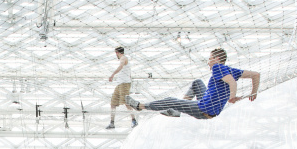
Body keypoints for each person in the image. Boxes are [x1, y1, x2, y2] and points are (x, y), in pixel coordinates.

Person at [126, 48, 260, 120]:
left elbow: (231, 82)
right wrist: (253, 93)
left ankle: (140, 106)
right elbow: (256, 75)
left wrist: (232, 96)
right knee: (197, 83)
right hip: (211, 108)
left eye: (209, 59)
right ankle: (176, 112)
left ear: (216, 59)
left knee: (171, 100)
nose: (208, 62)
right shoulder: (232, 70)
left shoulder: (217, 67)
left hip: (204, 108)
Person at [106, 46, 137, 130]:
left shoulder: (123, 58)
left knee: (126, 103)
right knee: (113, 103)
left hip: (124, 84)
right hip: (120, 84)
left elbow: (121, 66)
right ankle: (112, 123)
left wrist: (112, 74)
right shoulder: (123, 59)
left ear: (117, 52)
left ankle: (134, 120)